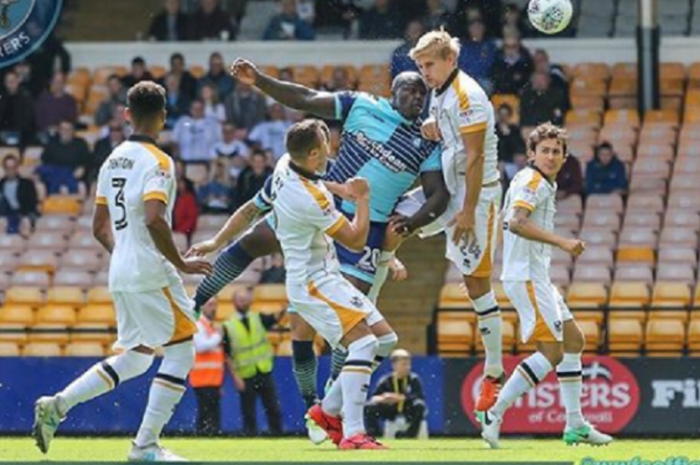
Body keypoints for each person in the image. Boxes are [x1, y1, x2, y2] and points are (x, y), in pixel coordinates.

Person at [189, 61, 448, 431]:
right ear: (392, 91)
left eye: (423, 93)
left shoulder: (427, 141)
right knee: (287, 305)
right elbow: (307, 97)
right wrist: (260, 80)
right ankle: (195, 305)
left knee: (350, 332)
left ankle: (328, 402)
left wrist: (413, 220)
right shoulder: (363, 105)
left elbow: (438, 194)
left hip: (366, 230)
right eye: (410, 89)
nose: (417, 97)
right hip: (319, 206)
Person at [32, 81, 213, 461]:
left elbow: (99, 227)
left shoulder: (111, 159)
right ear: (163, 117)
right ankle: (145, 446)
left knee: (138, 356)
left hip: (121, 270)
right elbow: (154, 218)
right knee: (181, 353)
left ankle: (58, 404)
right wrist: (179, 262)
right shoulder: (160, 162)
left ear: (127, 114)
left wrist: (126, 255)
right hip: (151, 269)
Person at [476, 123, 613, 448]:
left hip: (536, 276)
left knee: (574, 341)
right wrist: (562, 243)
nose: (550, 156)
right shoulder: (532, 181)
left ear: (565, 157)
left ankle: (575, 423)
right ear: (531, 154)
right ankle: (495, 412)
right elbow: (516, 222)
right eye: (545, 150)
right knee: (551, 352)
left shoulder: (543, 184)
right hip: (525, 277)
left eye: (556, 151)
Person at [269, 119, 386, 449]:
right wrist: (362, 198)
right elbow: (355, 240)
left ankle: (326, 411)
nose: (331, 147)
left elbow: (316, 181)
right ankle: (353, 433)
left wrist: (340, 190)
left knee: (386, 339)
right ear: (312, 153)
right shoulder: (312, 201)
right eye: (325, 143)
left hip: (324, 275)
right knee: (365, 345)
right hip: (314, 281)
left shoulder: (286, 164)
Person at [411, 29, 505, 412]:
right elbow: (449, 138)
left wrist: (466, 212)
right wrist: (432, 128)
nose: (424, 73)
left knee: (476, 285)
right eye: (419, 66)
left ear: (450, 60)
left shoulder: (469, 97)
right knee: (391, 222)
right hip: (448, 190)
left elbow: (477, 157)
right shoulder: (440, 91)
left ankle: (494, 372)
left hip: (475, 198)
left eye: (429, 65)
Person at [223, 288, 282, 437]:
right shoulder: (228, 326)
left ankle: (277, 434)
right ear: (234, 302)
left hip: (263, 370)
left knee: (273, 406)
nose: (243, 302)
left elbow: (275, 318)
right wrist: (235, 378)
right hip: (245, 374)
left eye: (245, 299)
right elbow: (227, 355)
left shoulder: (258, 318)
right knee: (248, 410)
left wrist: (287, 308)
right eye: (240, 299)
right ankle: (250, 436)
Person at [365, 349, 426, 439]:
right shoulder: (386, 380)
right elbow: (374, 397)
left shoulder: (414, 379)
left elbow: (419, 396)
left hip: (407, 410)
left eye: (408, 364)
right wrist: (385, 398)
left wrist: (400, 398)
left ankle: (410, 435)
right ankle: (374, 435)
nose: (407, 367)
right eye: (404, 364)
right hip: (390, 410)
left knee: (419, 405)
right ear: (394, 365)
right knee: (369, 407)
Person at [191, 299, 225, 436]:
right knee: (206, 413)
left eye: (215, 305)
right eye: (210, 305)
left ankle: (209, 436)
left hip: (212, 379)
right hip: (202, 378)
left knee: (211, 413)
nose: (214, 308)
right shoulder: (199, 325)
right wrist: (219, 336)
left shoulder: (209, 326)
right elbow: (201, 346)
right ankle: (203, 436)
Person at [37, 121, 90, 195]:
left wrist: (83, 168)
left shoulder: (81, 143)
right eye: (63, 129)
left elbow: (87, 161)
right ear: (59, 130)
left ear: (73, 131)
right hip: (54, 175)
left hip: (74, 175)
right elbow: (44, 161)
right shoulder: (52, 143)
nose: (66, 132)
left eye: (68, 129)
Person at [0, 154, 38, 234]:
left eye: (13, 168)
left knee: (26, 222)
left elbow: (32, 203)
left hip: (23, 212)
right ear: (4, 169)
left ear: (17, 168)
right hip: (6, 214)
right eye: (8, 168)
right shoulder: (1, 184)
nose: (10, 171)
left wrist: (26, 216)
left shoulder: (27, 184)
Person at [0, 70, 35, 146]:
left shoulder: (26, 97)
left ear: (18, 81)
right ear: (5, 83)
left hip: (22, 135)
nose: (11, 83)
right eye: (8, 81)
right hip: (3, 134)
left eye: (13, 80)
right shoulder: (2, 98)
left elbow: (29, 120)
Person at [495, 103, 525, 182]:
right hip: (497, 160)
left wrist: (508, 135)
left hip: (511, 160)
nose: (503, 118)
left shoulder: (514, 130)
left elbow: (519, 146)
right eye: (501, 115)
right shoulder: (493, 129)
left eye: (506, 115)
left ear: (510, 116)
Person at [90, 121, 127, 187]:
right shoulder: (100, 145)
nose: (115, 133)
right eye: (112, 130)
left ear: (122, 131)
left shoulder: (129, 145)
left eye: (117, 130)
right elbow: (96, 161)